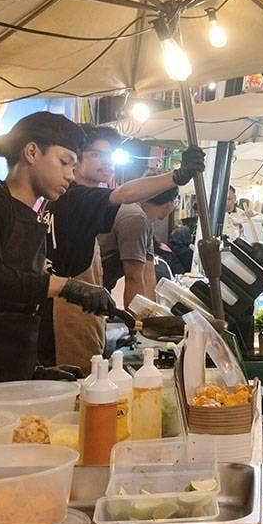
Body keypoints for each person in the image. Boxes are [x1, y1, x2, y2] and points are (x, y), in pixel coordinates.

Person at [0, 112, 115, 408]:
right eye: (64, 162)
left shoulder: (35, 218)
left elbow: (15, 302)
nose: (70, 175)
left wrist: (33, 371)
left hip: (7, 376)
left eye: (74, 166)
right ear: (32, 152)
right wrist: (64, 286)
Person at [41, 125, 204, 371]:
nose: (107, 162)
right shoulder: (75, 198)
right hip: (65, 317)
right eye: (97, 154)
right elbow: (124, 194)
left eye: (110, 155)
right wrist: (177, 175)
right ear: (75, 160)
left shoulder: (61, 199)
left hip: (71, 309)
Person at [99, 183, 180, 308]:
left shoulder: (144, 219)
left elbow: (148, 272)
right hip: (85, 292)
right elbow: (133, 277)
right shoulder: (136, 218)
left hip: (97, 289)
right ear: (170, 205)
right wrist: (139, 318)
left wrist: (151, 312)